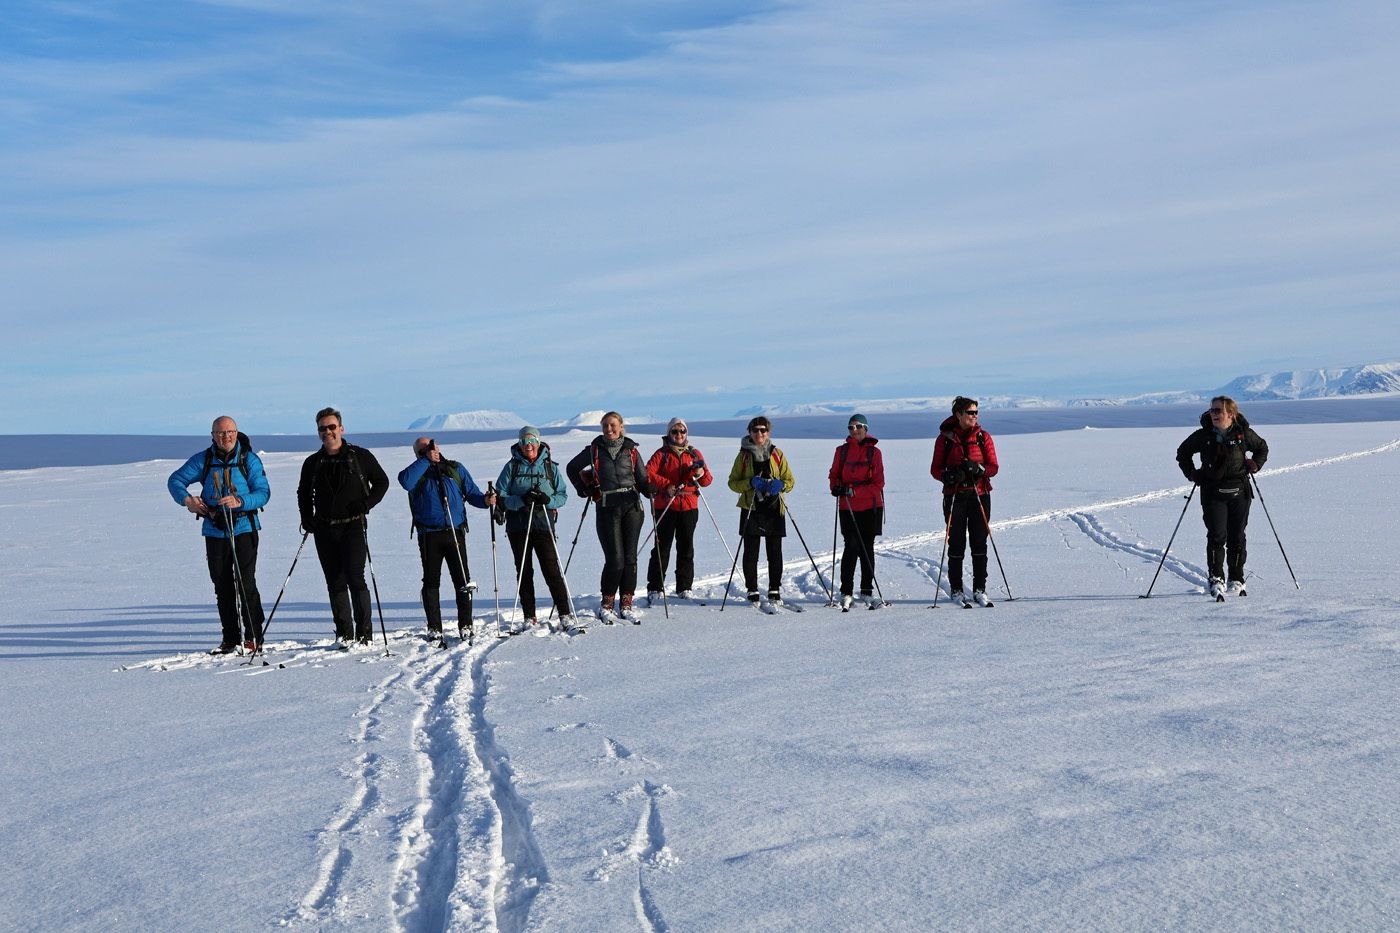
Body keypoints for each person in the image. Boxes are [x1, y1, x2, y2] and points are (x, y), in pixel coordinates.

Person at [167, 416, 271, 654]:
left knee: (246, 583)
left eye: (230, 432)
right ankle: (230, 638)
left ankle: (254, 635)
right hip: (214, 530)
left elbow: (264, 493)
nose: (226, 437)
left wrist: (240, 501)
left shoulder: (249, 460)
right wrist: (187, 501)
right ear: (212, 435)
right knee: (222, 586)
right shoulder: (203, 460)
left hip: (244, 527)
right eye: (221, 433)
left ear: (236, 432)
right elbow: (175, 480)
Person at [297, 407, 389, 644]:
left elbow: (382, 482)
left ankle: (364, 633)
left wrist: (366, 504)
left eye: (331, 427)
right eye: (322, 428)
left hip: (353, 526)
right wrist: (307, 517)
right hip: (324, 528)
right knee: (334, 581)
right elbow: (303, 493)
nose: (327, 432)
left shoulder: (360, 456)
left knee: (355, 578)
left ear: (341, 428)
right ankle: (344, 634)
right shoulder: (313, 462)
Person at [398, 437, 495, 639]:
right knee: (431, 581)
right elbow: (405, 482)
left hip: (455, 531)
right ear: (417, 453)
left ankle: (466, 625)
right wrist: (425, 460)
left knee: (462, 580)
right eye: (422, 450)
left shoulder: (454, 469)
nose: (428, 450)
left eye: (430, 447)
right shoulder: (416, 472)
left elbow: (472, 493)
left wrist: (486, 501)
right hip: (429, 534)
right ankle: (434, 627)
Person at [1175, 396, 1269, 598]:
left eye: (1218, 410)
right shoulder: (1203, 435)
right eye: (1212, 410)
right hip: (1212, 492)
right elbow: (1183, 453)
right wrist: (1192, 473)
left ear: (1230, 414)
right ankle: (1215, 577)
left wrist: (1255, 464)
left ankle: (1236, 578)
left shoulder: (1243, 434)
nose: (1213, 414)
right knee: (1217, 536)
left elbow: (1262, 447)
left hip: (1240, 492)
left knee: (1237, 537)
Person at [566, 412, 651, 621]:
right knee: (615, 559)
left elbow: (641, 478)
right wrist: (583, 489)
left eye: (612, 425)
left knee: (630, 558)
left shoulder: (631, 450)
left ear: (621, 426)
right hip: (606, 507)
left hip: (632, 506)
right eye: (605, 426)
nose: (609, 429)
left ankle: (627, 602)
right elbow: (572, 468)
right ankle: (607, 602)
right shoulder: (595, 449)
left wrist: (652, 490)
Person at [496, 425, 578, 631]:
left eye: (531, 441)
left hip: (543, 525)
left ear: (539, 442)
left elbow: (562, 495)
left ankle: (565, 613)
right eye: (524, 442)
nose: (528, 445)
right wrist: (521, 500)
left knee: (552, 570)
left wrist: (547, 500)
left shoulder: (550, 467)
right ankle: (529, 615)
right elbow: (501, 497)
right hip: (518, 526)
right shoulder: (511, 467)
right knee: (524, 571)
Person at [930, 397, 999, 607]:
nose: (975, 416)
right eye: (970, 412)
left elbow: (993, 467)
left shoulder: (983, 437)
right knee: (956, 544)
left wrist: (979, 470)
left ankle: (980, 589)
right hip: (955, 497)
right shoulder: (945, 439)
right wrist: (949, 476)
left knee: (979, 543)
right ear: (958, 414)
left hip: (980, 494)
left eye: (976, 412)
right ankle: (957, 589)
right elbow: (935, 469)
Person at [727, 415, 795, 607]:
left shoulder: (777, 454)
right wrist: (749, 483)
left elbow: (790, 481)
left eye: (763, 430)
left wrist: (781, 484)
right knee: (751, 552)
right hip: (752, 507)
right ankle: (752, 588)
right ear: (749, 432)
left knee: (775, 551)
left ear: (769, 432)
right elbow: (732, 483)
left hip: (774, 507)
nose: (759, 434)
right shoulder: (743, 456)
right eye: (755, 430)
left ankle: (774, 587)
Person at [644, 418, 714, 604]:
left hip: (689, 506)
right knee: (662, 548)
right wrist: (666, 484)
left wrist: (700, 474)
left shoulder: (694, 453)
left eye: (682, 431)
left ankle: (684, 587)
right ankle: (655, 587)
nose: (679, 435)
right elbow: (647, 472)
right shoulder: (662, 454)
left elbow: (707, 481)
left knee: (686, 547)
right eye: (675, 431)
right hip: (666, 506)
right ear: (669, 434)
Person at [828, 413, 885, 609]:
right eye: (851, 427)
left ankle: (867, 590)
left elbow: (878, 484)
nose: (854, 430)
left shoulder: (874, 453)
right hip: (847, 507)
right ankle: (846, 591)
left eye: (858, 426)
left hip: (870, 507)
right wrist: (835, 487)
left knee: (867, 547)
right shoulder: (841, 451)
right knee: (851, 546)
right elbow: (834, 474)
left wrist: (852, 490)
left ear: (866, 428)